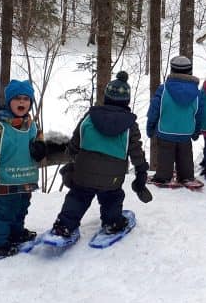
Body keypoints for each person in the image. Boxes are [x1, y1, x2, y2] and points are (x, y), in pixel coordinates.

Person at [49, 71, 151, 238]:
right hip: (112, 177)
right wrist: (141, 171)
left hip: (84, 170)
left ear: (106, 96)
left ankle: (64, 226)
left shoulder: (90, 116)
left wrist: (72, 156)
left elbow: (76, 139)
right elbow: (136, 151)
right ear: (127, 100)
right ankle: (112, 223)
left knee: (78, 196)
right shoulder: (130, 125)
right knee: (112, 197)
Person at [0, 79, 46, 257]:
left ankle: (15, 233)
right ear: (9, 102)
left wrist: (40, 149)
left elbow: (39, 143)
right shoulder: (0, 128)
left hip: (25, 179)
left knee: (21, 207)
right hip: (4, 181)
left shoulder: (32, 127)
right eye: (17, 99)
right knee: (4, 211)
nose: (22, 102)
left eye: (26, 99)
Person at [147, 56, 204, 189]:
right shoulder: (197, 93)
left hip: (165, 131)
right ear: (190, 71)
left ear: (172, 70)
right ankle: (186, 176)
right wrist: (196, 132)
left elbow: (154, 110)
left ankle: (163, 176)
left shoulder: (164, 89)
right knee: (185, 155)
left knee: (165, 154)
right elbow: (199, 114)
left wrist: (150, 128)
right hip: (186, 132)